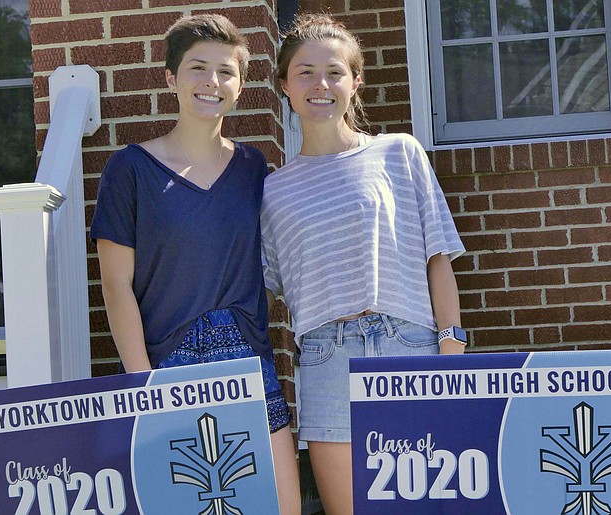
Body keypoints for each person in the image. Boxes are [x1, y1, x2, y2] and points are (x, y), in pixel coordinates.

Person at [90, 14, 300, 514]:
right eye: (197, 68)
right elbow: (116, 287)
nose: (212, 82)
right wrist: (144, 385)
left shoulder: (253, 169)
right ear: (171, 78)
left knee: (280, 504)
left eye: (225, 71)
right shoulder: (130, 169)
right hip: (164, 361)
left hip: (246, 361)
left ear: (240, 85)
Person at [260, 13, 466, 515]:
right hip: (327, 358)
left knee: (427, 508)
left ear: (355, 81)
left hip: (411, 347)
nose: (320, 84)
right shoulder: (272, 191)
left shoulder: (400, 154)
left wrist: (452, 346)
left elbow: (438, 258)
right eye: (305, 72)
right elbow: (264, 291)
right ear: (285, 85)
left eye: (334, 71)